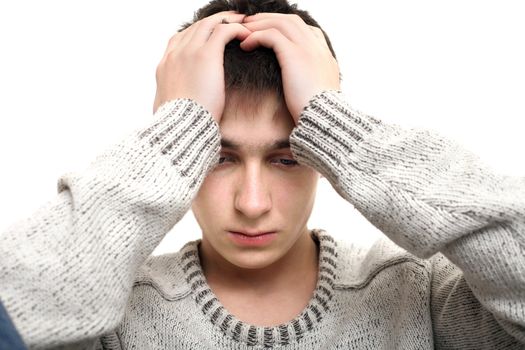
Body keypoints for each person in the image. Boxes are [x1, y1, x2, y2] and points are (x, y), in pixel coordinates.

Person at [0, 0, 524, 348]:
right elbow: (13, 311)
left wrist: (338, 122)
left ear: (325, 151)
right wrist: (171, 135)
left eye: (287, 157)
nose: (252, 203)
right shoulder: (115, 319)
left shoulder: (421, 296)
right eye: (217, 156)